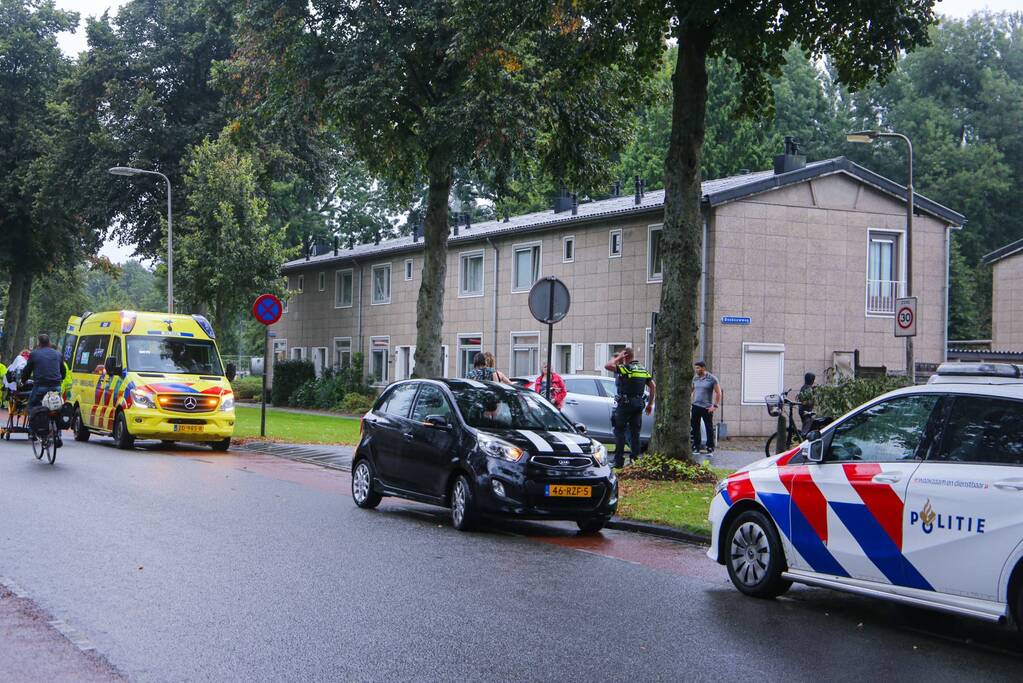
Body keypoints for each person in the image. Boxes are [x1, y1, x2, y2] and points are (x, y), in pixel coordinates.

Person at [604, 347, 655, 468]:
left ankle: (618, 460)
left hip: (625, 404)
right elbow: (653, 386)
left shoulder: (627, 368)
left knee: (619, 431)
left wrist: (618, 357)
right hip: (638, 404)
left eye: (623, 356)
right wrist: (650, 404)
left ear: (625, 356)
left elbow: (607, 366)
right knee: (635, 433)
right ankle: (635, 459)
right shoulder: (642, 369)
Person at [23, 335, 66, 409]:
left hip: (40, 386)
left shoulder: (34, 354)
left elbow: (27, 371)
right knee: (58, 408)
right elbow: (63, 372)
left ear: (39, 343)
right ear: (49, 343)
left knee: (31, 405)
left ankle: (33, 419)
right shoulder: (58, 354)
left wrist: (23, 380)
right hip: (56, 387)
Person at [691, 361, 721, 454]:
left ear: (703, 368)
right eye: (695, 368)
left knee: (709, 428)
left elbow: (718, 393)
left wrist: (714, 406)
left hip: (707, 407)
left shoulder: (712, 379)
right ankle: (696, 446)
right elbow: (691, 390)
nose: (696, 370)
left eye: (698, 368)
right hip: (695, 406)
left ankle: (710, 447)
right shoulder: (695, 379)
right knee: (695, 427)